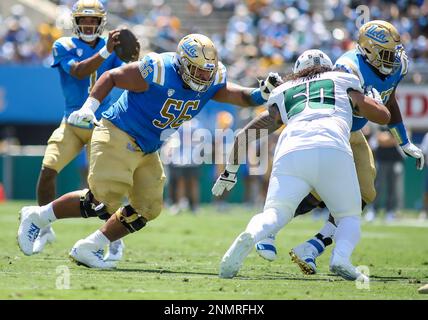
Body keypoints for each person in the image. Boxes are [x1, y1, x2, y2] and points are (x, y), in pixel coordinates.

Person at [17, 33, 281, 268]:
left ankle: (90, 246)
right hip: (118, 131)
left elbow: (242, 97)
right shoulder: (159, 69)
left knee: (148, 207)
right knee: (104, 198)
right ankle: (38, 216)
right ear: (183, 64)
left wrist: (262, 93)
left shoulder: (212, 79)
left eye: (207, 71)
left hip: (148, 146)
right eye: (198, 70)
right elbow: (111, 77)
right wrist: (88, 108)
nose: (204, 76)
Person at [253, 20, 425, 272]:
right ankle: (267, 228)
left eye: (395, 51)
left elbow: (389, 99)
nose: (394, 58)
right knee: (319, 193)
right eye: (387, 53)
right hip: (332, 130)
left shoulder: (395, 67)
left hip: (352, 132)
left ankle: (312, 246)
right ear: (369, 51)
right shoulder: (348, 67)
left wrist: (404, 140)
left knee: (365, 193)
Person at [213, 49, 391, 280]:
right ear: (328, 67)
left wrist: (230, 171)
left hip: (291, 151)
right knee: (348, 214)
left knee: (274, 213)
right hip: (332, 146)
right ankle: (341, 258)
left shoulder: (284, 90)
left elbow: (246, 135)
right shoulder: (343, 79)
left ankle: (252, 233)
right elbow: (383, 117)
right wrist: (376, 103)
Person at [33, 0, 127, 260]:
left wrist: (131, 50)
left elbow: (132, 66)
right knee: (48, 170)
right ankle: (43, 228)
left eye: (93, 20)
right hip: (73, 121)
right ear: (76, 22)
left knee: (103, 188)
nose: (88, 24)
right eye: (84, 20)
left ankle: (114, 241)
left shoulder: (111, 47)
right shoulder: (63, 45)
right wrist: (107, 52)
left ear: (100, 22)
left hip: (102, 124)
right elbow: (78, 71)